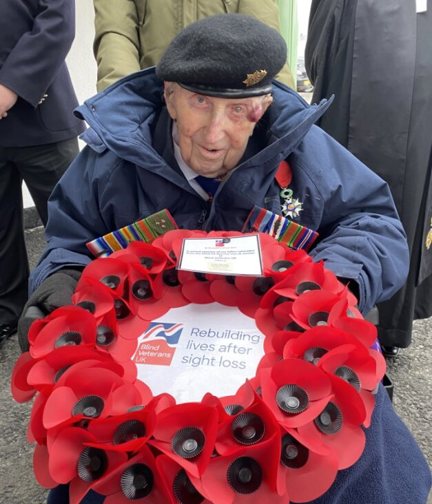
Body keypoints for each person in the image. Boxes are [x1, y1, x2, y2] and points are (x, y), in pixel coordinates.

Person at [18, 14, 431, 504]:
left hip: (282, 363)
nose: (215, 134)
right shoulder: (110, 163)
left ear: (264, 105)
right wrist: (60, 278)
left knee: (338, 457)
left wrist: (338, 279)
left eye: (240, 111)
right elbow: (69, 239)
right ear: (169, 95)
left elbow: (372, 221)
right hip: (144, 369)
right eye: (199, 103)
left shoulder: (303, 151)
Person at [305, 0, 432, 357]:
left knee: (410, 173)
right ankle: (327, 311)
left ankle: (389, 322)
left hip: (414, 27)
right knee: (338, 175)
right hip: (356, 24)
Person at [0, 0, 85, 346]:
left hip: (43, 117)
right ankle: (7, 310)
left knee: (73, 224)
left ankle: (82, 308)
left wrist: (10, 87)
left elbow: (56, 23)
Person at [92, 0, 296, 92]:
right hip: (155, 101)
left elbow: (264, 40)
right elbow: (116, 34)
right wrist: (123, 104)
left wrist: (288, 111)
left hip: (230, 108)